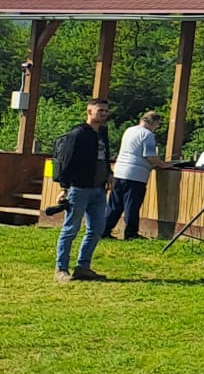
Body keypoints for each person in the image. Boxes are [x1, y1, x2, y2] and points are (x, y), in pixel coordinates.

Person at [52, 98, 114, 282]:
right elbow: (67, 161)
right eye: (100, 110)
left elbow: (105, 157)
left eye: (106, 111)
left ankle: (83, 267)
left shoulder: (102, 133)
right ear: (89, 111)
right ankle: (61, 269)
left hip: (99, 189)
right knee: (71, 229)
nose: (104, 114)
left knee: (96, 229)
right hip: (79, 188)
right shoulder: (78, 134)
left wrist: (109, 174)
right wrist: (64, 188)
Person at [109, 109, 168, 240]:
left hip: (119, 171)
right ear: (152, 122)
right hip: (135, 175)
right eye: (157, 124)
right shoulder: (148, 135)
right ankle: (131, 234)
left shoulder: (129, 130)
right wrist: (163, 164)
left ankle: (104, 230)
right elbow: (150, 156)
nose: (157, 128)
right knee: (132, 205)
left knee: (115, 204)